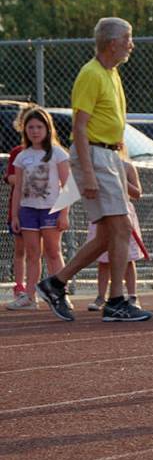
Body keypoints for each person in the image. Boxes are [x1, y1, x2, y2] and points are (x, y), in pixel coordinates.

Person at [37, 18, 152, 323]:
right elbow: (80, 126)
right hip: (96, 155)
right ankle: (115, 301)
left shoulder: (110, 72)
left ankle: (56, 283)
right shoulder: (91, 74)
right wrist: (88, 174)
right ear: (112, 43)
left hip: (110, 155)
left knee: (108, 234)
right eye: (127, 38)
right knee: (122, 228)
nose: (131, 44)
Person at [9, 108, 69, 312]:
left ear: (48, 129)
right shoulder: (22, 156)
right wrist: (15, 215)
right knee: (32, 254)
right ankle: (30, 297)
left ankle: (60, 295)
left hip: (51, 210)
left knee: (53, 252)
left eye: (39, 127)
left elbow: (68, 186)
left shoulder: (58, 154)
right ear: (25, 130)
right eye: (31, 127)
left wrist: (64, 213)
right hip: (28, 211)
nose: (35, 131)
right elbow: (18, 188)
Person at [86, 152, 148, 312]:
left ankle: (132, 296)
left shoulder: (127, 167)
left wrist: (120, 179)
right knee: (103, 259)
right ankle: (101, 296)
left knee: (128, 258)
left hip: (123, 212)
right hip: (103, 211)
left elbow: (137, 193)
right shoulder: (97, 168)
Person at [4, 105, 35, 309]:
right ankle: (20, 287)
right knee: (20, 250)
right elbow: (11, 178)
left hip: (41, 209)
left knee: (41, 251)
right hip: (21, 208)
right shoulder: (18, 152)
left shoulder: (50, 152)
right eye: (28, 124)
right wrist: (33, 179)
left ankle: (40, 287)